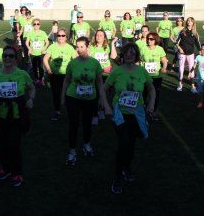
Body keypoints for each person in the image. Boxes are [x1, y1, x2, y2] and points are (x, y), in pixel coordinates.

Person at [102, 42, 155, 194]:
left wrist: (150, 105)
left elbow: (151, 89)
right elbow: (104, 89)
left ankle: (126, 168)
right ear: (123, 55)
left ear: (136, 55)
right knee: (124, 143)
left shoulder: (142, 71)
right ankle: (117, 177)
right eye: (127, 52)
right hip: (120, 114)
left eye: (133, 52)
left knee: (131, 144)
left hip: (136, 114)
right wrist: (106, 106)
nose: (130, 55)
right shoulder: (117, 71)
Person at [0, 46, 35, 187]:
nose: (7, 58)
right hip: (0, 115)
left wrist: (31, 99)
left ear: (16, 58)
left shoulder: (22, 74)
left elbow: (32, 88)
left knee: (14, 145)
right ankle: (5, 169)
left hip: (17, 115)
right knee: (3, 144)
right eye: (5, 55)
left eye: (11, 56)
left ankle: (17, 173)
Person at [61, 36, 103, 166]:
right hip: (73, 97)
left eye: (81, 47)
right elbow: (66, 80)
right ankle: (72, 151)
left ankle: (86, 144)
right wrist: (62, 97)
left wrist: (101, 98)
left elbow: (99, 81)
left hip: (90, 99)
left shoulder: (95, 63)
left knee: (87, 123)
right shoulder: (72, 63)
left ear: (87, 47)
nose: (79, 50)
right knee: (73, 124)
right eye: (77, 47)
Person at [43, 28, 77, 121]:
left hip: (67, 75)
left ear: (66, 37)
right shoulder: (52, 47)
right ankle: (57, 110)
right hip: (54, 75)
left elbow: (76, 61)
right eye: (59, 35)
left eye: (63, 35)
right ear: (56, 37)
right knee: (56, 93)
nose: (61, 37)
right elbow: (45, 59)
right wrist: (49, 69)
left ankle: (68, 110)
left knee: (68, 93)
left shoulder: (70, 48)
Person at [140, 32, 168, 121]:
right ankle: (142, 112)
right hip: (145, 76)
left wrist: (164, 68)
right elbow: (140, 60)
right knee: (143, 94)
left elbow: (164, 61)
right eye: (148, 38)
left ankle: (153, 112)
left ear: (156, 40)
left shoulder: (160, 49)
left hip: (156, 76)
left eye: (151, 39)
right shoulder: (143, 49)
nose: (149, 40)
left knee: (155, 94)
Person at [176, 17, 201, 92]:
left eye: (191, 21)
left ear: (193, 23)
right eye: (188, 21)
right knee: (181, 68)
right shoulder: (182, 31)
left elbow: (197, 43)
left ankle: (193, 86)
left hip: (190, 53)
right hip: (182, 53)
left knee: (191, 69)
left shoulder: (195, 33)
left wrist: (200, 51)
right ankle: (180, 84)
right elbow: (175, 41)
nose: (189, 22)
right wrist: (179, 48)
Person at [26, 18, 49, 86]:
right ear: (33, 25)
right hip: (33, 53)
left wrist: (44, 48)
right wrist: (29, 48)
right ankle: (36, 79)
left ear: (40, 25)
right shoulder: (30, 33)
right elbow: (27, 42)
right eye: (35, 24)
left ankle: (41, 79)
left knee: (41, 67)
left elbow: (47, 42)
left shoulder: (43, 33)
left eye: (38, 24)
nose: (36, 25)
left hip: (41, 53)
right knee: (34, 67)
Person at [192, 45, 204, 110]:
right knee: (200, 91)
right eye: (202, 49)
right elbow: (194, 65)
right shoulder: (198, 57)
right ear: (201, 50)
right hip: (199, 77)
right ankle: (200, 102)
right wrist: (190, 71)